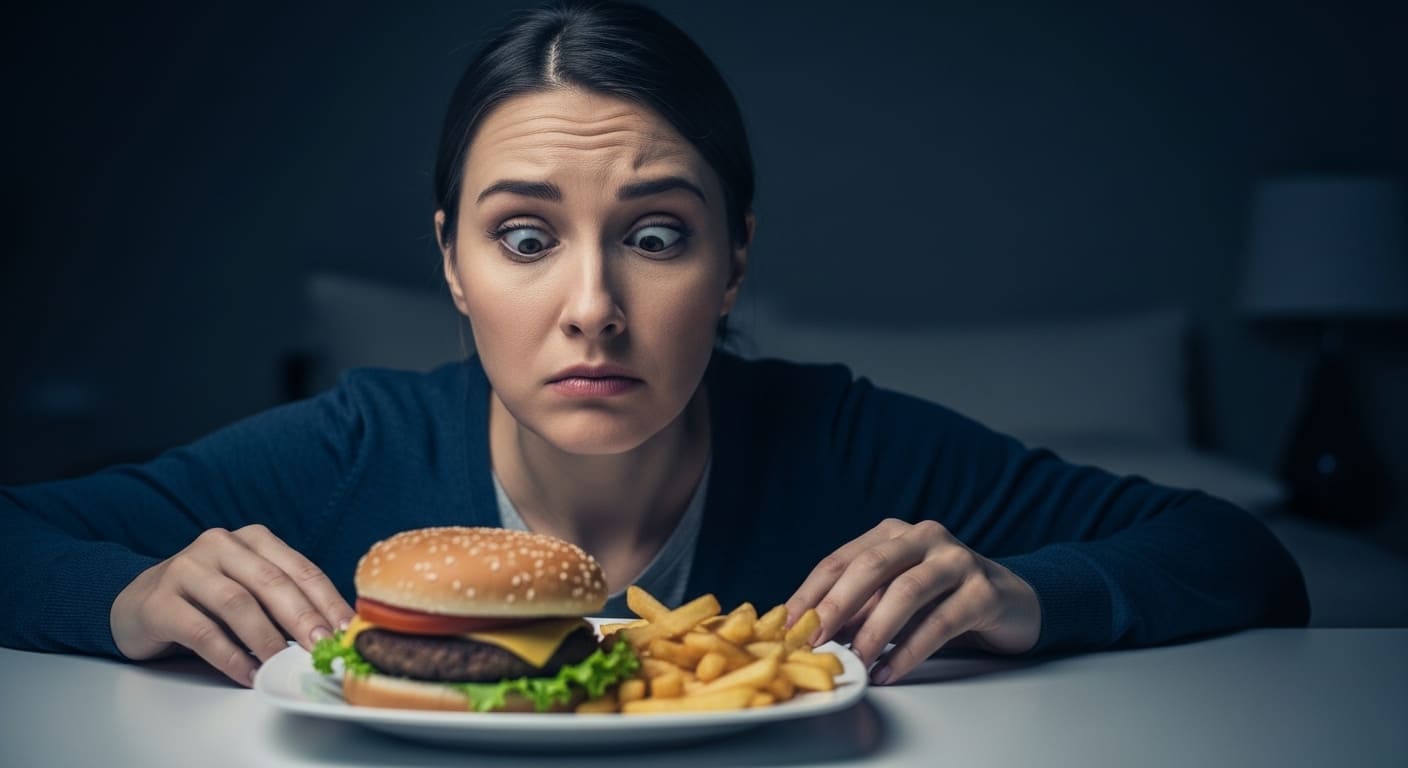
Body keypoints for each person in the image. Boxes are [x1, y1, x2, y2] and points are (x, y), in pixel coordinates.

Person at [0, 0, 1307, 691]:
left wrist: (1029, 598)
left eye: (657, 235)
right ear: (451, 260)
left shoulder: (842, 439)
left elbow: (1237, 553)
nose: (593, 306)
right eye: (524, 238)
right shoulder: (353, 447)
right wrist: (127, 601)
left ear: (734, 259)